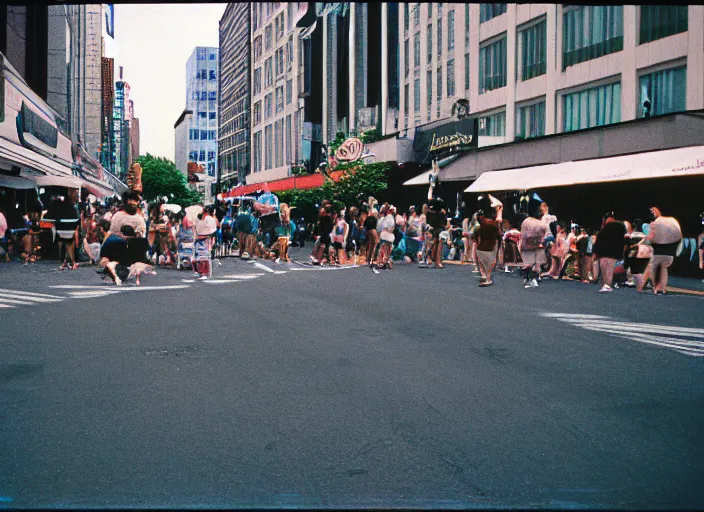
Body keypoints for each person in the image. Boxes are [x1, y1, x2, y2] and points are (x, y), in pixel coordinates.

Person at [646, 207, 682, 295]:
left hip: (659, 251)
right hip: (669, 251)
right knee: (663, 268)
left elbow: (650, 239)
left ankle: (657, 288)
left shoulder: (654, 224)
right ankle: (662, 288)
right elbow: (679, 236)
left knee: (655, 268)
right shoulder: (671, 221)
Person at [44, 190, 81, 270]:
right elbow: (76, 220)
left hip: (60, 232)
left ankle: (63, 260)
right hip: (70, 232)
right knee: (69, 243)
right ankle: (71, 262)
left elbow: (49, 217)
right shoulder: (72, 208)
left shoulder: (55, 205)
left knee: (61, 240)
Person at [593, 212, 628, 293]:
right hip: (606, 251)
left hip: (611, 251)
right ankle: (606, 285)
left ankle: (607, 285)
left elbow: (622, 239)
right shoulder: (607, 227)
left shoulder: (617, 225)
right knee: (605, 268)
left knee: (608, 268)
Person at [519, 210, 548, 288]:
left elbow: (522, 237)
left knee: (528, 264)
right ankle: (532, 279)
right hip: (535, 247)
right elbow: (542, 238)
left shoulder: (526, 222)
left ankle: (528, 279)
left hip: (528, 246)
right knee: (535, 264)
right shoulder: (541, 225)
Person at [473, 210, 501, 286]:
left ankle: (485, 276)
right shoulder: (493, 225)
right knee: (488, 263)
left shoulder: (480, 226)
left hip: (482, 247)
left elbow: (476, 238)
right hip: (490, 246)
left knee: (482, 262)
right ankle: (487, 277)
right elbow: (498, 237)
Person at [624, 220, 652, 293]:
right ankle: (645, 282)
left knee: (631, 267)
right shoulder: (645, 236)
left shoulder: (632, 235)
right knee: (644, 268)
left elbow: (629, 245)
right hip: (645, 253)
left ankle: (630, 280)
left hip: (634, 252)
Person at [376, 204, 396, 269]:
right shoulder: (384, 218)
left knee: (385, 248)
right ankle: (385, 261)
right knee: (385, 248)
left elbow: (391, 228)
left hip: (386, 236)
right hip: (385, 235)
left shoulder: (388, 217)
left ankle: (385, 261)